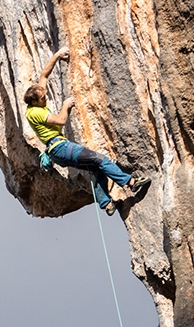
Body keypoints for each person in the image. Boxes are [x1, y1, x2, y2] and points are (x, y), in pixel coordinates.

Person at [24, 47, 150, 215]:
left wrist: (57, 55)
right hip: (61, 148)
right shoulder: (36, 112)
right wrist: (66, 105)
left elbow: (44, 76)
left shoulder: (35, 101)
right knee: (102, 160)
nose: (46, 98)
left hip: (58, 152)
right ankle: (131, 183)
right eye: (42, 98)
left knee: (97, 168)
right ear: (35, 102)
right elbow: (61, 120)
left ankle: (106, 204)